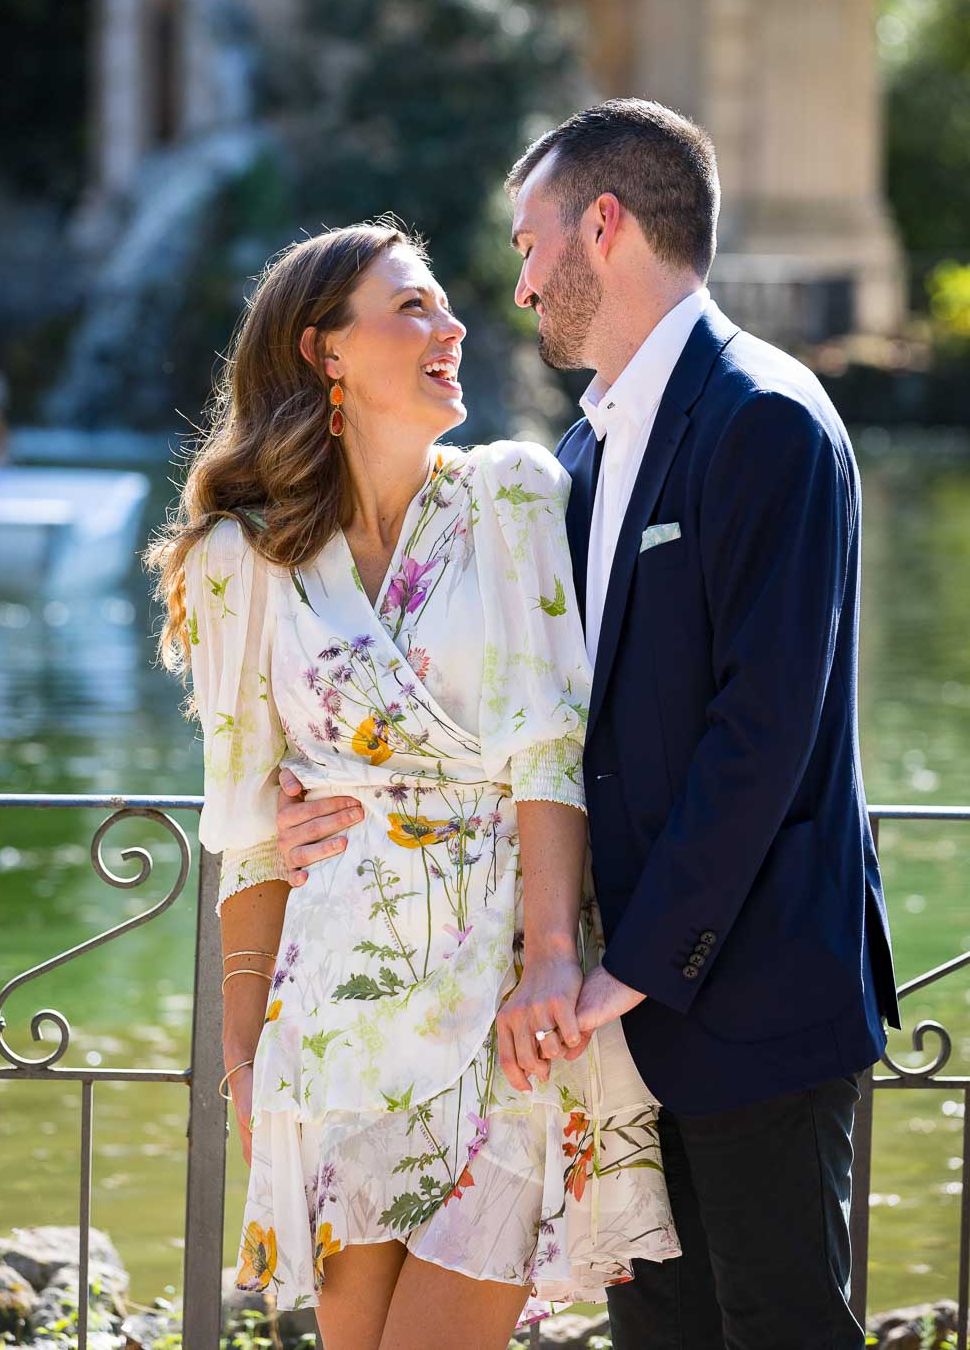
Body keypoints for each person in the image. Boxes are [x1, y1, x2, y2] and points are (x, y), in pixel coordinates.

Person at [146, 220, 678, 1350]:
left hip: (505, 1004)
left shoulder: (511, 495)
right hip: (336, 1011)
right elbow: (244, 829)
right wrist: (246, 1062)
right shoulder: (242, 561)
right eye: (412, 309)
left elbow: (550, 743)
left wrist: (549, 959)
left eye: (442, 305)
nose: (452, 329)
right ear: (323, 352)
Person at [504, 98, 902, 1348]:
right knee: (660, 1336)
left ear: (604, 226)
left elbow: (763, 729)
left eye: (531, 245)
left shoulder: (768, 419)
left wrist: (633, 963)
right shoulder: (582, 447)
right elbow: (554, 715)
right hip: (618, 1024)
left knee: (780, 1324)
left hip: (755, 994)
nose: (521, 286)